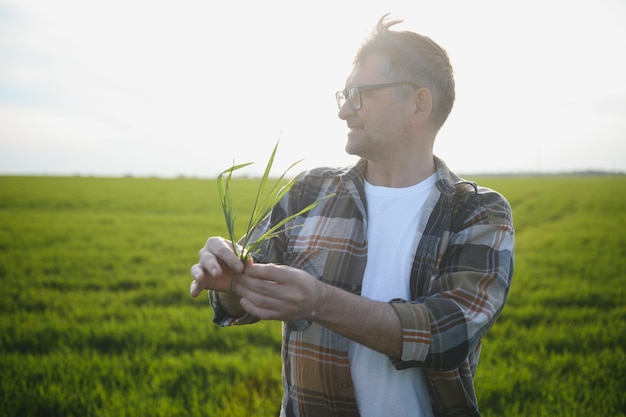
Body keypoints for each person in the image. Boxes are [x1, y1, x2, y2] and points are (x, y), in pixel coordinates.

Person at [190, 14, 514, 417]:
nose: (345, 112)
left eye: (359, 94)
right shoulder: (311, 191)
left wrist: (319, 301)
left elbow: (447, 334)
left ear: (418, 103)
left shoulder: (477, 211)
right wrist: (229, 281)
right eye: (343, 96)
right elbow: (241, 292)